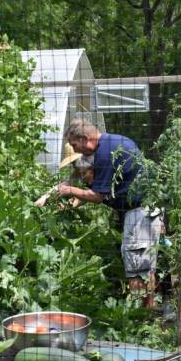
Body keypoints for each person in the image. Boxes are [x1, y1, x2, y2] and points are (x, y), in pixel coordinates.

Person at [58, 119, 163, 308]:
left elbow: (98, 196)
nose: (76, 150)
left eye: (75, 145)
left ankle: (143, 317)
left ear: (85, 138)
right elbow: (104, 189)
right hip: (143, 211)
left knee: (138, 268)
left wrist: (69, 190)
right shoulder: (113, 142)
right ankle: (148, 313)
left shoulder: (105, 153)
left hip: (139, 214)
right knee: (143, 265)